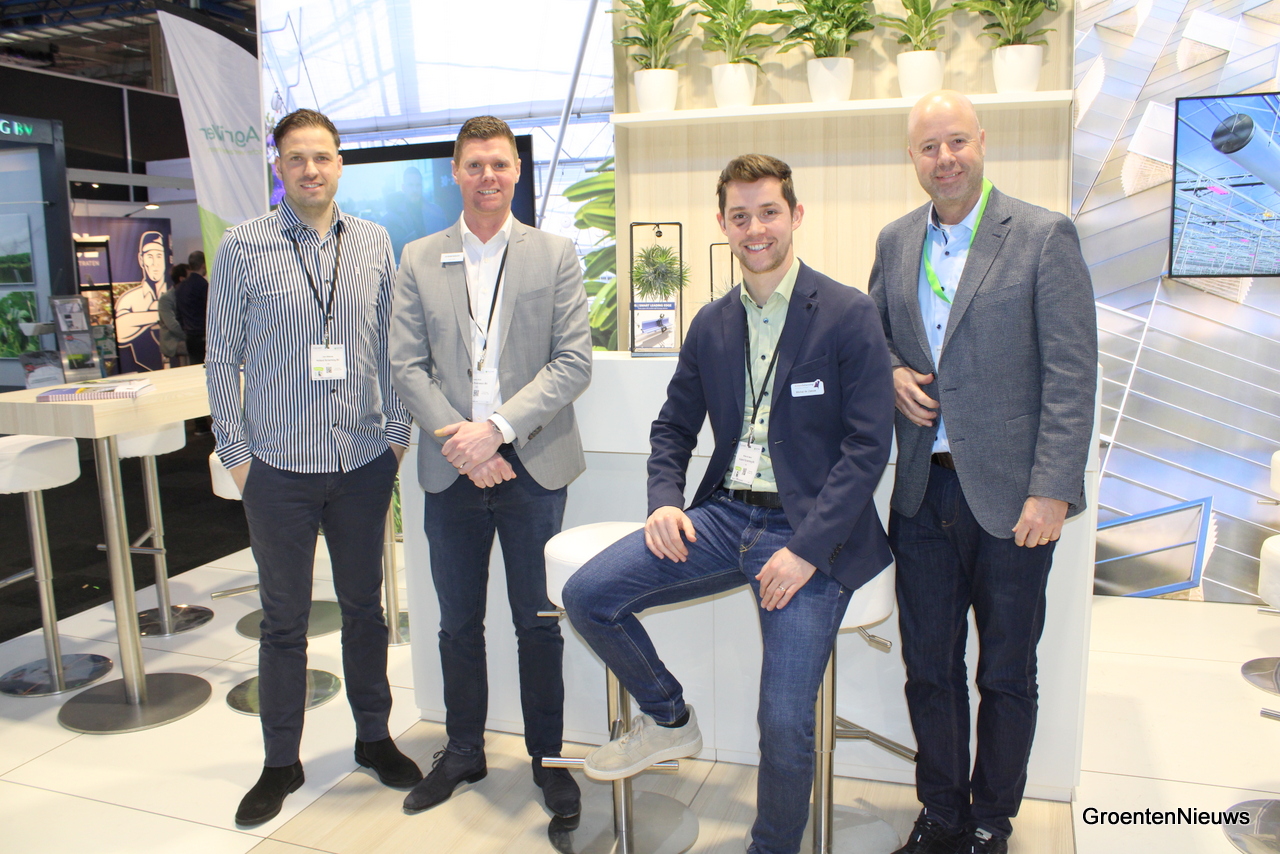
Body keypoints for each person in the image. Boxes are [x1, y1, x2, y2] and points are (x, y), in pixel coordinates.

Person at [562, 154, 895, 854]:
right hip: (724, 516)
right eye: (740, 216)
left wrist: (805, 551)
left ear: (795, 215)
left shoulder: (847, 313)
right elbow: (672, 428)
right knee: (588, 594)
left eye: (768, 212)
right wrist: (664, 502)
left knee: (783, 720)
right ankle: (669, 717)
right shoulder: (712, 323)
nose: (755, 228)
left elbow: (867, 448)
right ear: (723, 223)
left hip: (810, 532)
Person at [868, 91, 1097, 854]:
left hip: (1013, 500)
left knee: (1004, 672)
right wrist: (890, 371)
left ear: (982, 142)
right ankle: (942, 814)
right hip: (921, 492)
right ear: (912, 157)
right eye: (929, 147)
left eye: (957, 141)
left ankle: (992, 820)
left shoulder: (1041, 235)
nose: (945, 159)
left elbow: (1072, 374)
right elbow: (870, 337)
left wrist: (1052, 489)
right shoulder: (896, 241)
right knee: (929, 670)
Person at [207, 107, 421, 828]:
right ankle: (280, 762)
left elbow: (395, 347)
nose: (310, 169)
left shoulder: (374, 242)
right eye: (296, 158)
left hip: (362, 461)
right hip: (278, 468)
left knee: (366, 609)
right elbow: (221, 359)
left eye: (322, 156)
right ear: (278, 166)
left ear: (339, 164)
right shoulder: (243, 246)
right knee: (284, 622)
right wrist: (239, 459)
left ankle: (373, 738)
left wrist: (396, 438)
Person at [389, 115, 591, 823]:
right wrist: (464, 444)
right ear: (456, 171)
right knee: (456, 623)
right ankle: (463, 751)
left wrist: (496, 433)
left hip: (532, 466)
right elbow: (405, 365)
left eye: (500, 164)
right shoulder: (418, 257)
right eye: (474, 164)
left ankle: (548, 760)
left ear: (516, 171)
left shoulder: (554, 253)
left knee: (538, 622)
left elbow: (573, 362)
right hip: (454, 471)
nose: (488, 177)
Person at [115, 229, 169, 371]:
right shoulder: (130, 298)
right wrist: (162, 314)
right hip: (143, 370)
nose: (155, 263)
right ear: (141, 259)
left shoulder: (174, 293)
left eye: (159, 255)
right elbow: (121, 327)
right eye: (149, 256)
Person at [177, 249, 209, 364]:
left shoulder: (181, 286)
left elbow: (178, 314)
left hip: (189, 337)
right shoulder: (203, 285)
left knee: (194, 365)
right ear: (203, 265)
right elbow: (209, 310)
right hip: (203, 335)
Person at [157, 262, 188, 366]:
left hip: (186, 337)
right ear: (182, 279)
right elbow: (173, 325)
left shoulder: (189, 296)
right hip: (173, 341)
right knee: (196, 346)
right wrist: (191, 337)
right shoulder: (166, 299)